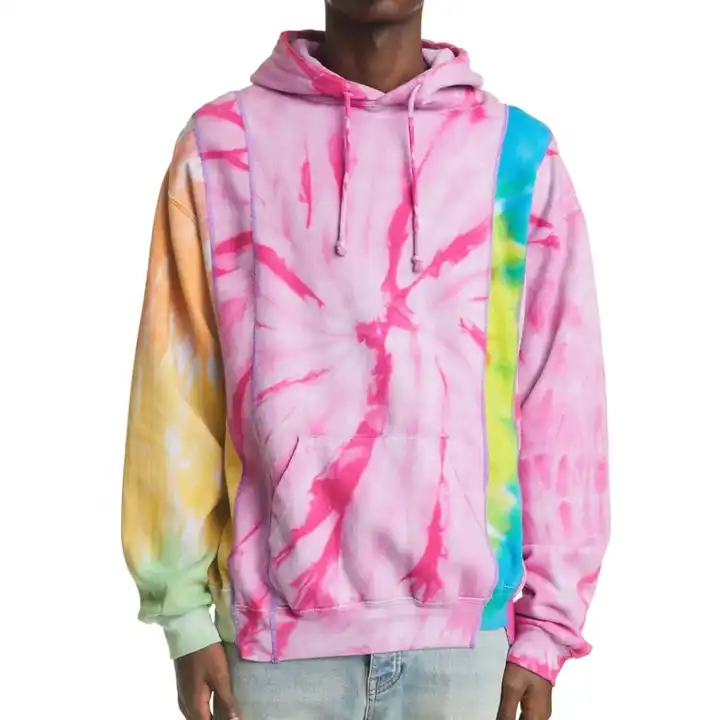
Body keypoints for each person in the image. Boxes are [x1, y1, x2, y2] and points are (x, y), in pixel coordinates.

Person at [122, 1, 609, 718]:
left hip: (466, 641)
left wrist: (547, 630)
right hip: (275, 644)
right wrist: (184, 616)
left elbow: (560, 397)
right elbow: (176, 386)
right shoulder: (224, 146)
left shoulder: (518, 157)